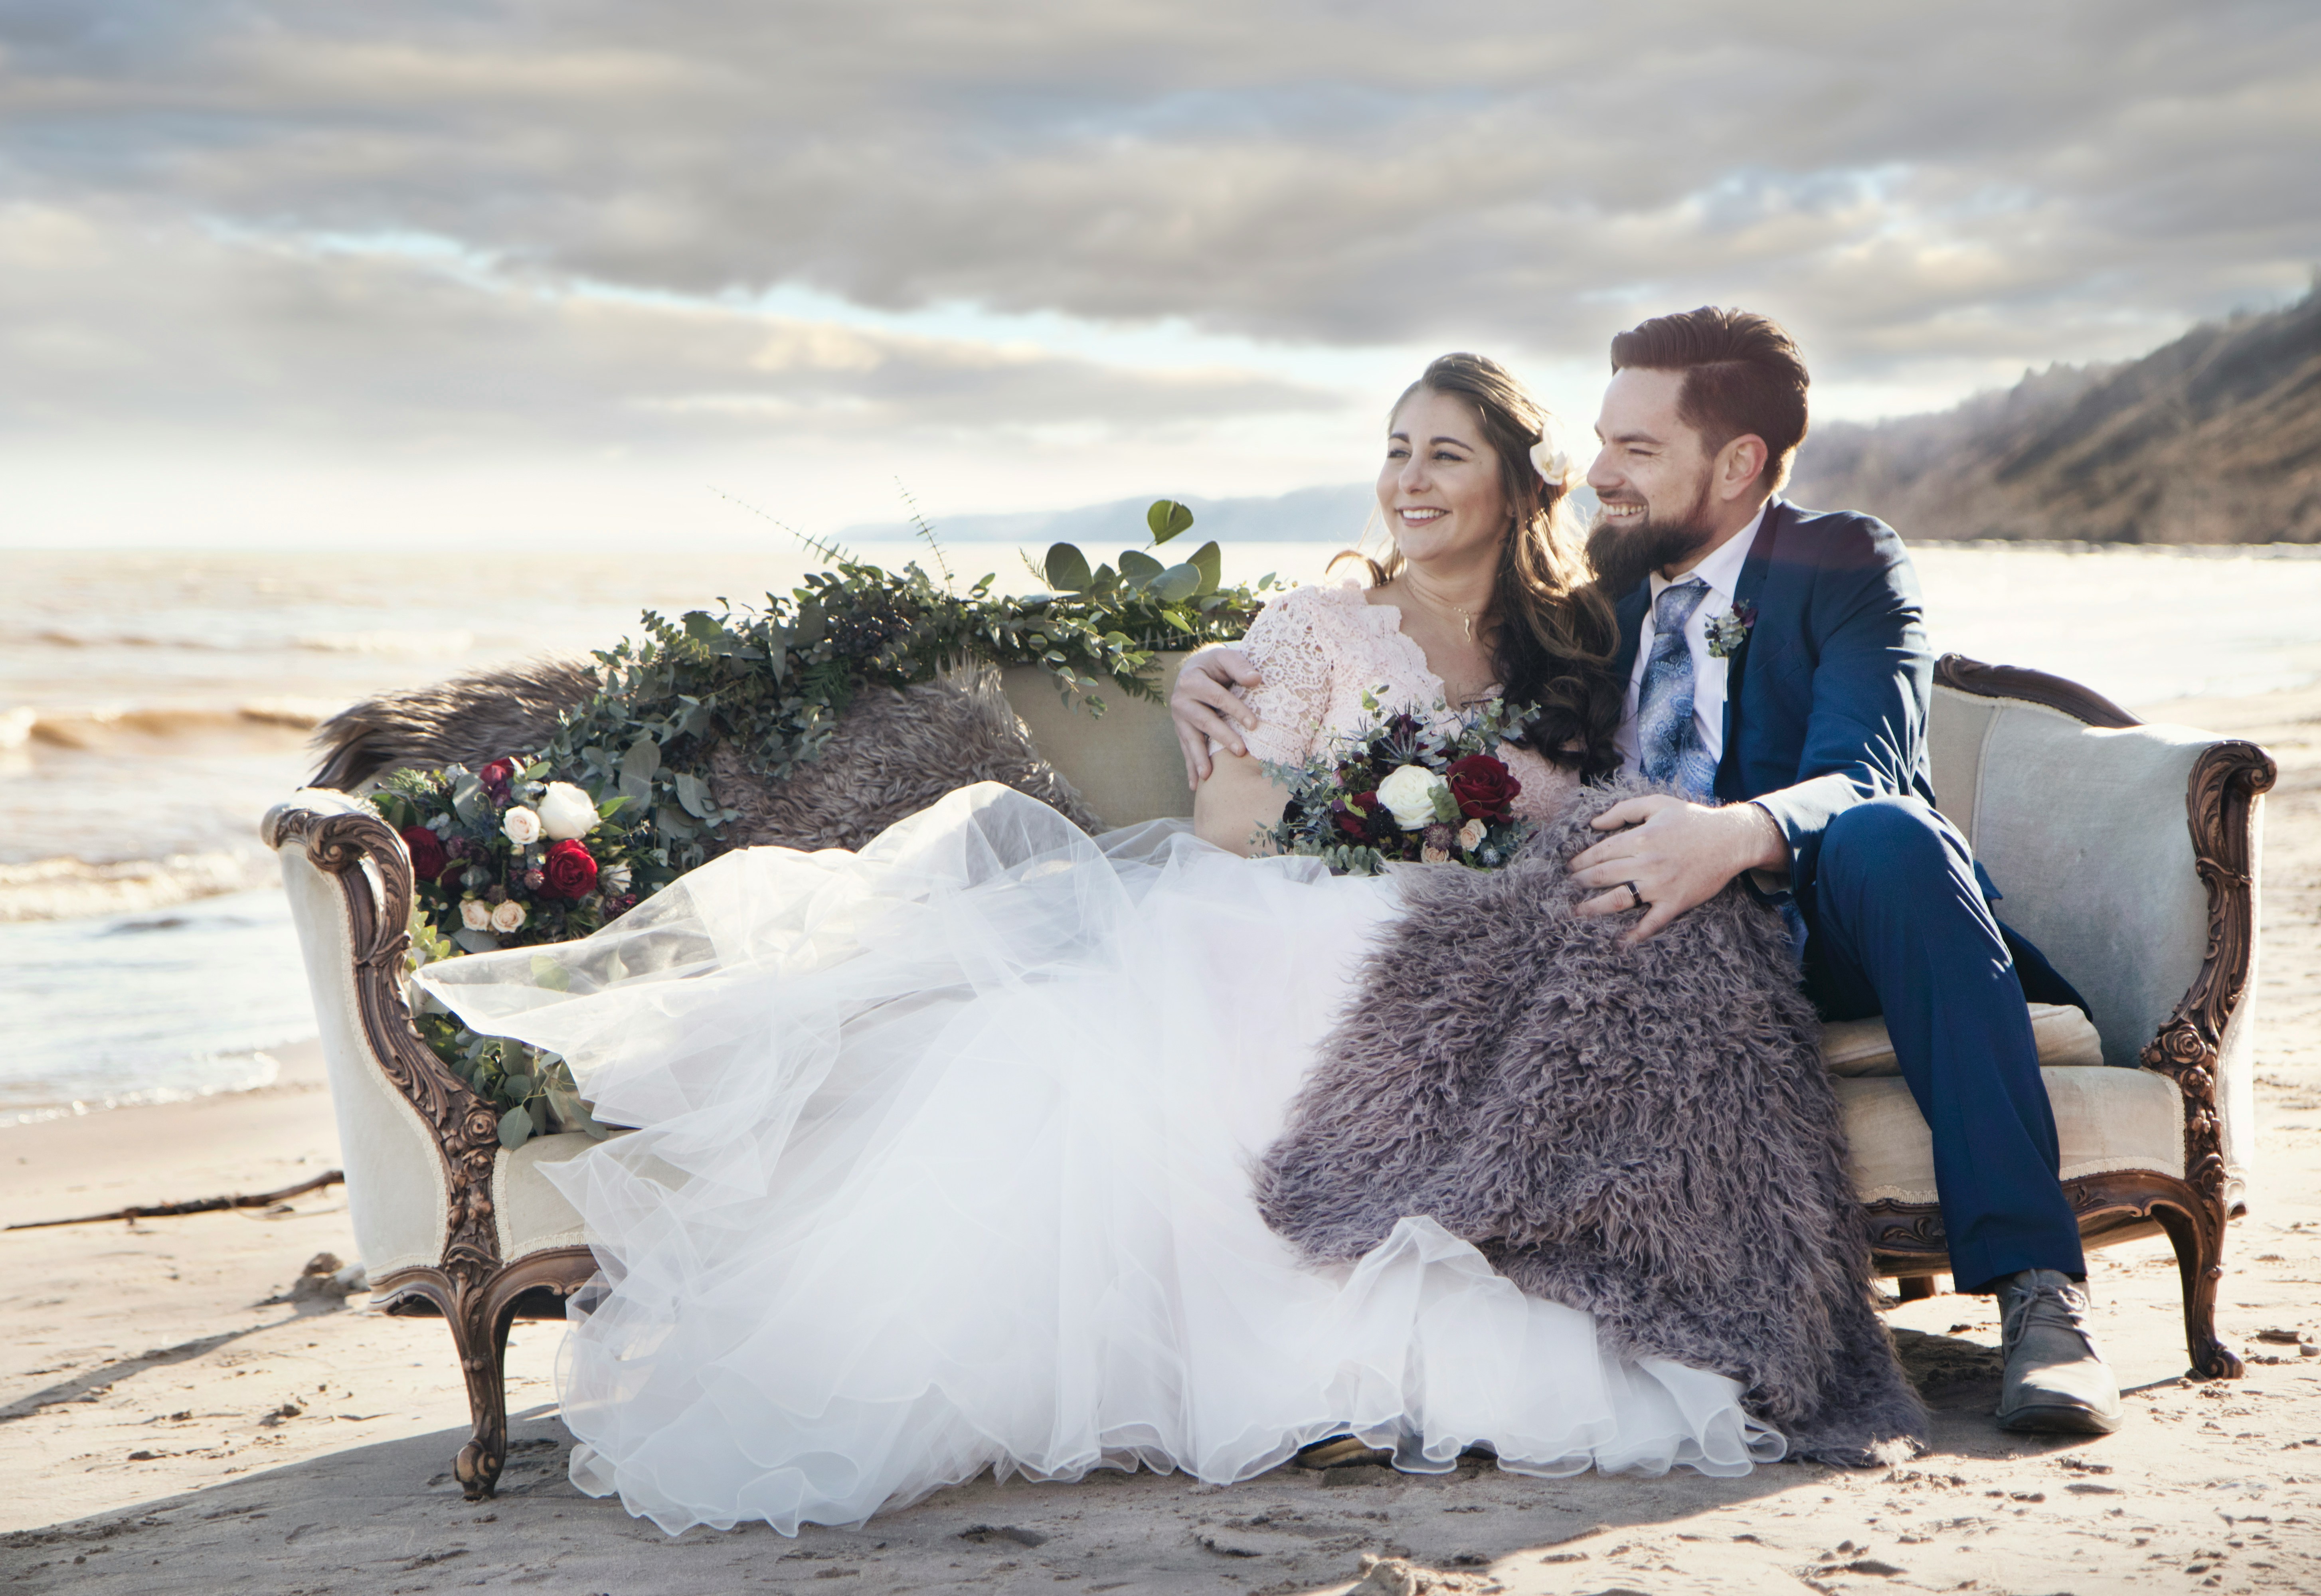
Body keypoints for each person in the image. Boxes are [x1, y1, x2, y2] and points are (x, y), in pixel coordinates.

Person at [417, 353, 1789, 1538]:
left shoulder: (1578, 637)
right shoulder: (1316, 627)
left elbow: (1612, 796)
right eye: (1393, 453)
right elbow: (1237, 821)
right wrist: (1386, 827)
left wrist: (1492, 851)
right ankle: (1295, 1373)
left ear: (1514, 482)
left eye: (1445, 454)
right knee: (1302, 961)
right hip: (1304, 892)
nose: (1410, 480)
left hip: (1488, 926)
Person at [1174, 308, 2123, 1437]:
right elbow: (1434, 658)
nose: (1600, 474)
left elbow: (1866, 772)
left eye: (1637, 449)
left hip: (1830, 917)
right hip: (1641, 940)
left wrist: (1732, 838)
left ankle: (2040, 1297)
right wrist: (1208, 665)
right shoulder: (1588, 599)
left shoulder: (1844, 562)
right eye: (1601, 440)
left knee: (1893, 835)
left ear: (1738, 463)